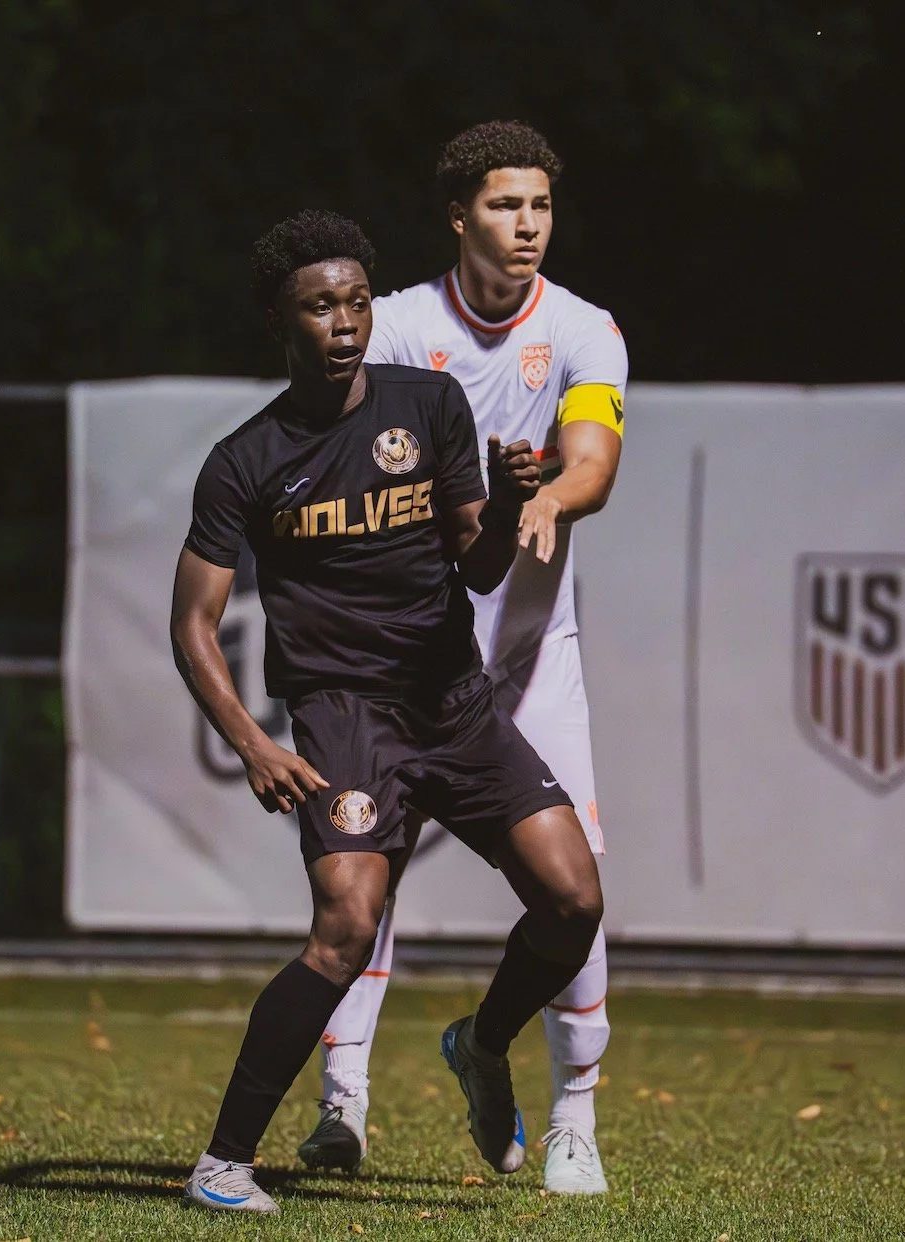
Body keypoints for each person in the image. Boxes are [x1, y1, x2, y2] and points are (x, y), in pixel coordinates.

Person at [173, 208, 605, 1214]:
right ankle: (222, 1162)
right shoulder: (244, 461)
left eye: (357, 302)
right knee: (345, 926)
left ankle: (481, 1043)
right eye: (318, 307)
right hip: (345, 718)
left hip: (452, 704)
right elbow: (193, 625)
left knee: (572, 900)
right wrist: (250, 743)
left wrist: (504, 503)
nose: (344, 322)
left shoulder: (428, 405)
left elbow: (480, 561)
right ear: (281, 324)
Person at [297, 122, 627, 1196]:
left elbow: (593, 460)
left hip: (532, 659)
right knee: (365, 878)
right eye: (501, 205)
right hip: (406, 667)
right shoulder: (388, 330)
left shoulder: (581, 330)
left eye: (538, 204)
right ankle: (341, 1101)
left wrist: (544, 496)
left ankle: (565, 1109)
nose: (525, 224)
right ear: (456, 216)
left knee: (576, 891)